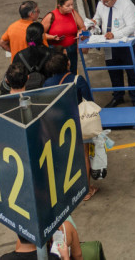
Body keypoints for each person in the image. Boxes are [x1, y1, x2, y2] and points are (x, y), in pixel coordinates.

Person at [43, 50, 100, 202]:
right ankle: (87, 190)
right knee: (84, 155)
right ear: (68, 64)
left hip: (57, 125)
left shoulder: (47, 83)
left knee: (63, 156)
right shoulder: (77, 80)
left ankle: (65, 188)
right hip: (78, 123)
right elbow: (90, 100)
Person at [92, 0, 135, 107]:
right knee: (113, 71)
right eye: (102, 1)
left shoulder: (127, 5)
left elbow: (131, 27)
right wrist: (94, 24)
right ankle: (118, 96)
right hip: (109, 46)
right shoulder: (101, 4)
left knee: (132, 72)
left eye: (106, 1)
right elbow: (97, 19)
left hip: (125, 44)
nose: (103, 4)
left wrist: (114, 35)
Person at [42, 0, 84, 74]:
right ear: (59, 6)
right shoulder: (51, 16)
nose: (71, 7)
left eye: (72, 4)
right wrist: (52, 37)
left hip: (71, 50)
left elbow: (82, 27)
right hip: (56, 51)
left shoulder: (73, 13)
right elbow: (40, 33)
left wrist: (80, 33)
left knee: (72, 71)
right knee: (57, 73)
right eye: (68, 6)